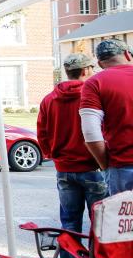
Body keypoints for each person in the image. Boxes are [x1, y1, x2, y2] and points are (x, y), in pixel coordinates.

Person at [37, 53, 107, 237]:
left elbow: (42, 133)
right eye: (92, 68)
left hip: (65, 168)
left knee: (69, 222)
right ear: (85, 70)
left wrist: (53, 155)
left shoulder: (49, 99)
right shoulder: (93, 96)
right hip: (93, 167)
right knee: (101, 224)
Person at [80, 39, 133, 195]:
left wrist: (105, 165)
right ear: (127, 55)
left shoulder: (95, 83)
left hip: (122, 165)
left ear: (100, 63)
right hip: (121, 165)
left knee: (123, 218)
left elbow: (90, 131)